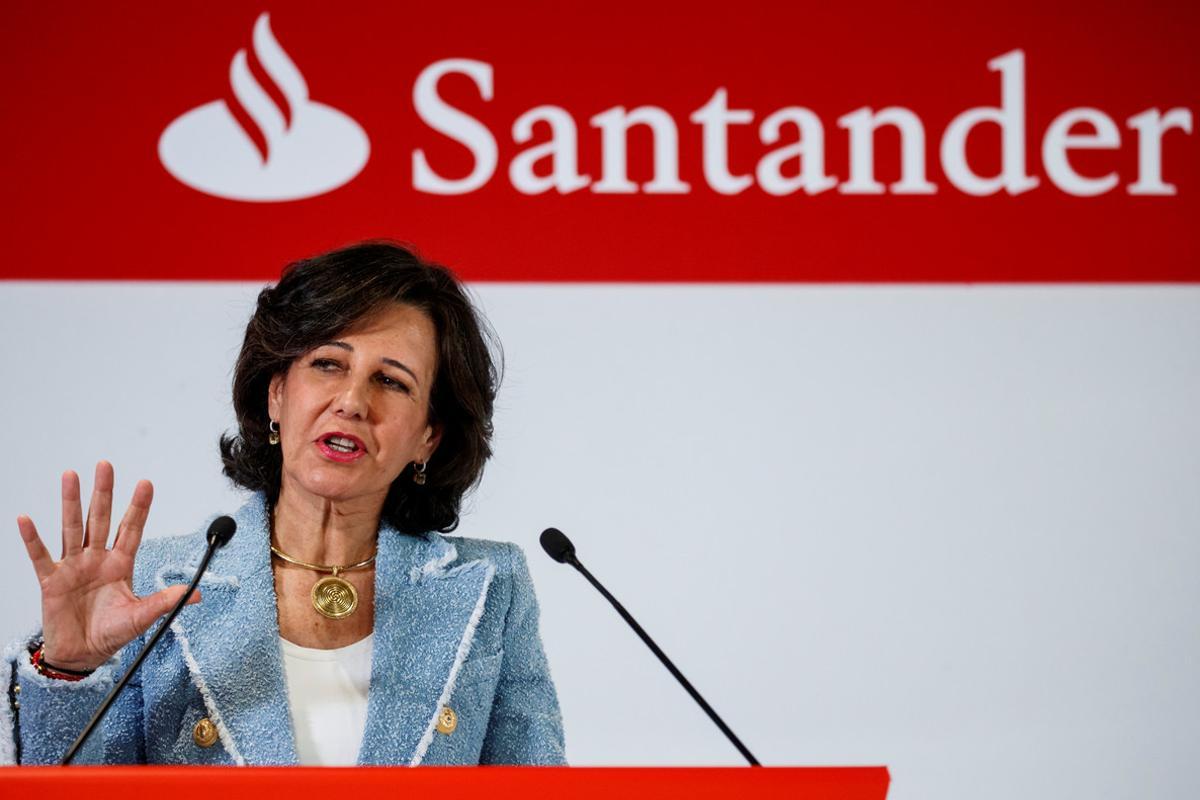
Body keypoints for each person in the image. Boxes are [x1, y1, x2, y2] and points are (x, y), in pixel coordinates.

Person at [1, 241, 565, 766]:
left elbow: (538, 788)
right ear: (276, 393)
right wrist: (69, 672)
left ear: (428, 436)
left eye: (391, 382)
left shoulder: (492, 586)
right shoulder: (152, 584)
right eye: (328, 364)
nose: (351, 402)